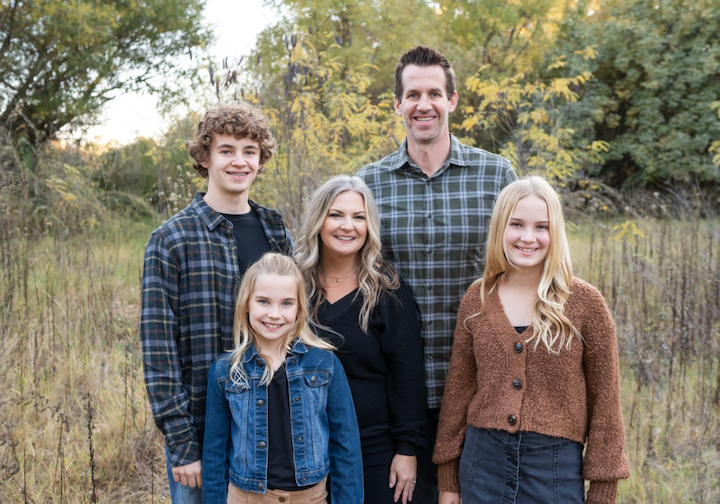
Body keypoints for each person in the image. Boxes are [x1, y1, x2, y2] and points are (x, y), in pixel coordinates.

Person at [357, 45, 517, 501]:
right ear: (397, 105)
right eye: (412, 95)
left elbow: (524, 266)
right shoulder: (368, 184)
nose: (422, 104)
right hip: (394, 390)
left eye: (433, 93)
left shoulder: (495, 176)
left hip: (480, 384)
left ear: (452, 100)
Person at [433, 177, 630, 504]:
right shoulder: (477, 299)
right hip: (482, 463)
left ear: (556, 233)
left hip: (554, 468)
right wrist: (448, 480)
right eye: (516, 224)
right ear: (500, 228)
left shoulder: (585, 303)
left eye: (542, 226)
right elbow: (459, 390)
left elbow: (606, 400)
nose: (528, 237)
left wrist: (603, 488)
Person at [141, 103, 293, 503]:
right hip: (204, 431)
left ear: (261, 161)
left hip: (272, 426)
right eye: (227, 150)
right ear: (205, 157)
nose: (239, 161)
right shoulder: (171, 239)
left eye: (250, 151)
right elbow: (159, 349)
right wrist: (181, 443)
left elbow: (296, 323)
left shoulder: (276, 230)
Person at [296, 175, 426, 504]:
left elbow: (407, 374)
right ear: (318, 219)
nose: (347, 226)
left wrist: (407, 450)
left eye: (359, 217)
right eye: (336, 214)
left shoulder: (386, 289)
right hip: (303, 444)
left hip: (374, 447)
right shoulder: (293, 285)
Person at [202, 253, 364, 504]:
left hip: (310, 498)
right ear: (247, 304)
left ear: (299, 307)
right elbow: (215, 454)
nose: (274, 314)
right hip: (246, 498)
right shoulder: (225, 372)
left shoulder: (324, 365)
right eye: (264, 302)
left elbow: (346, 448)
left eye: (286, 303)